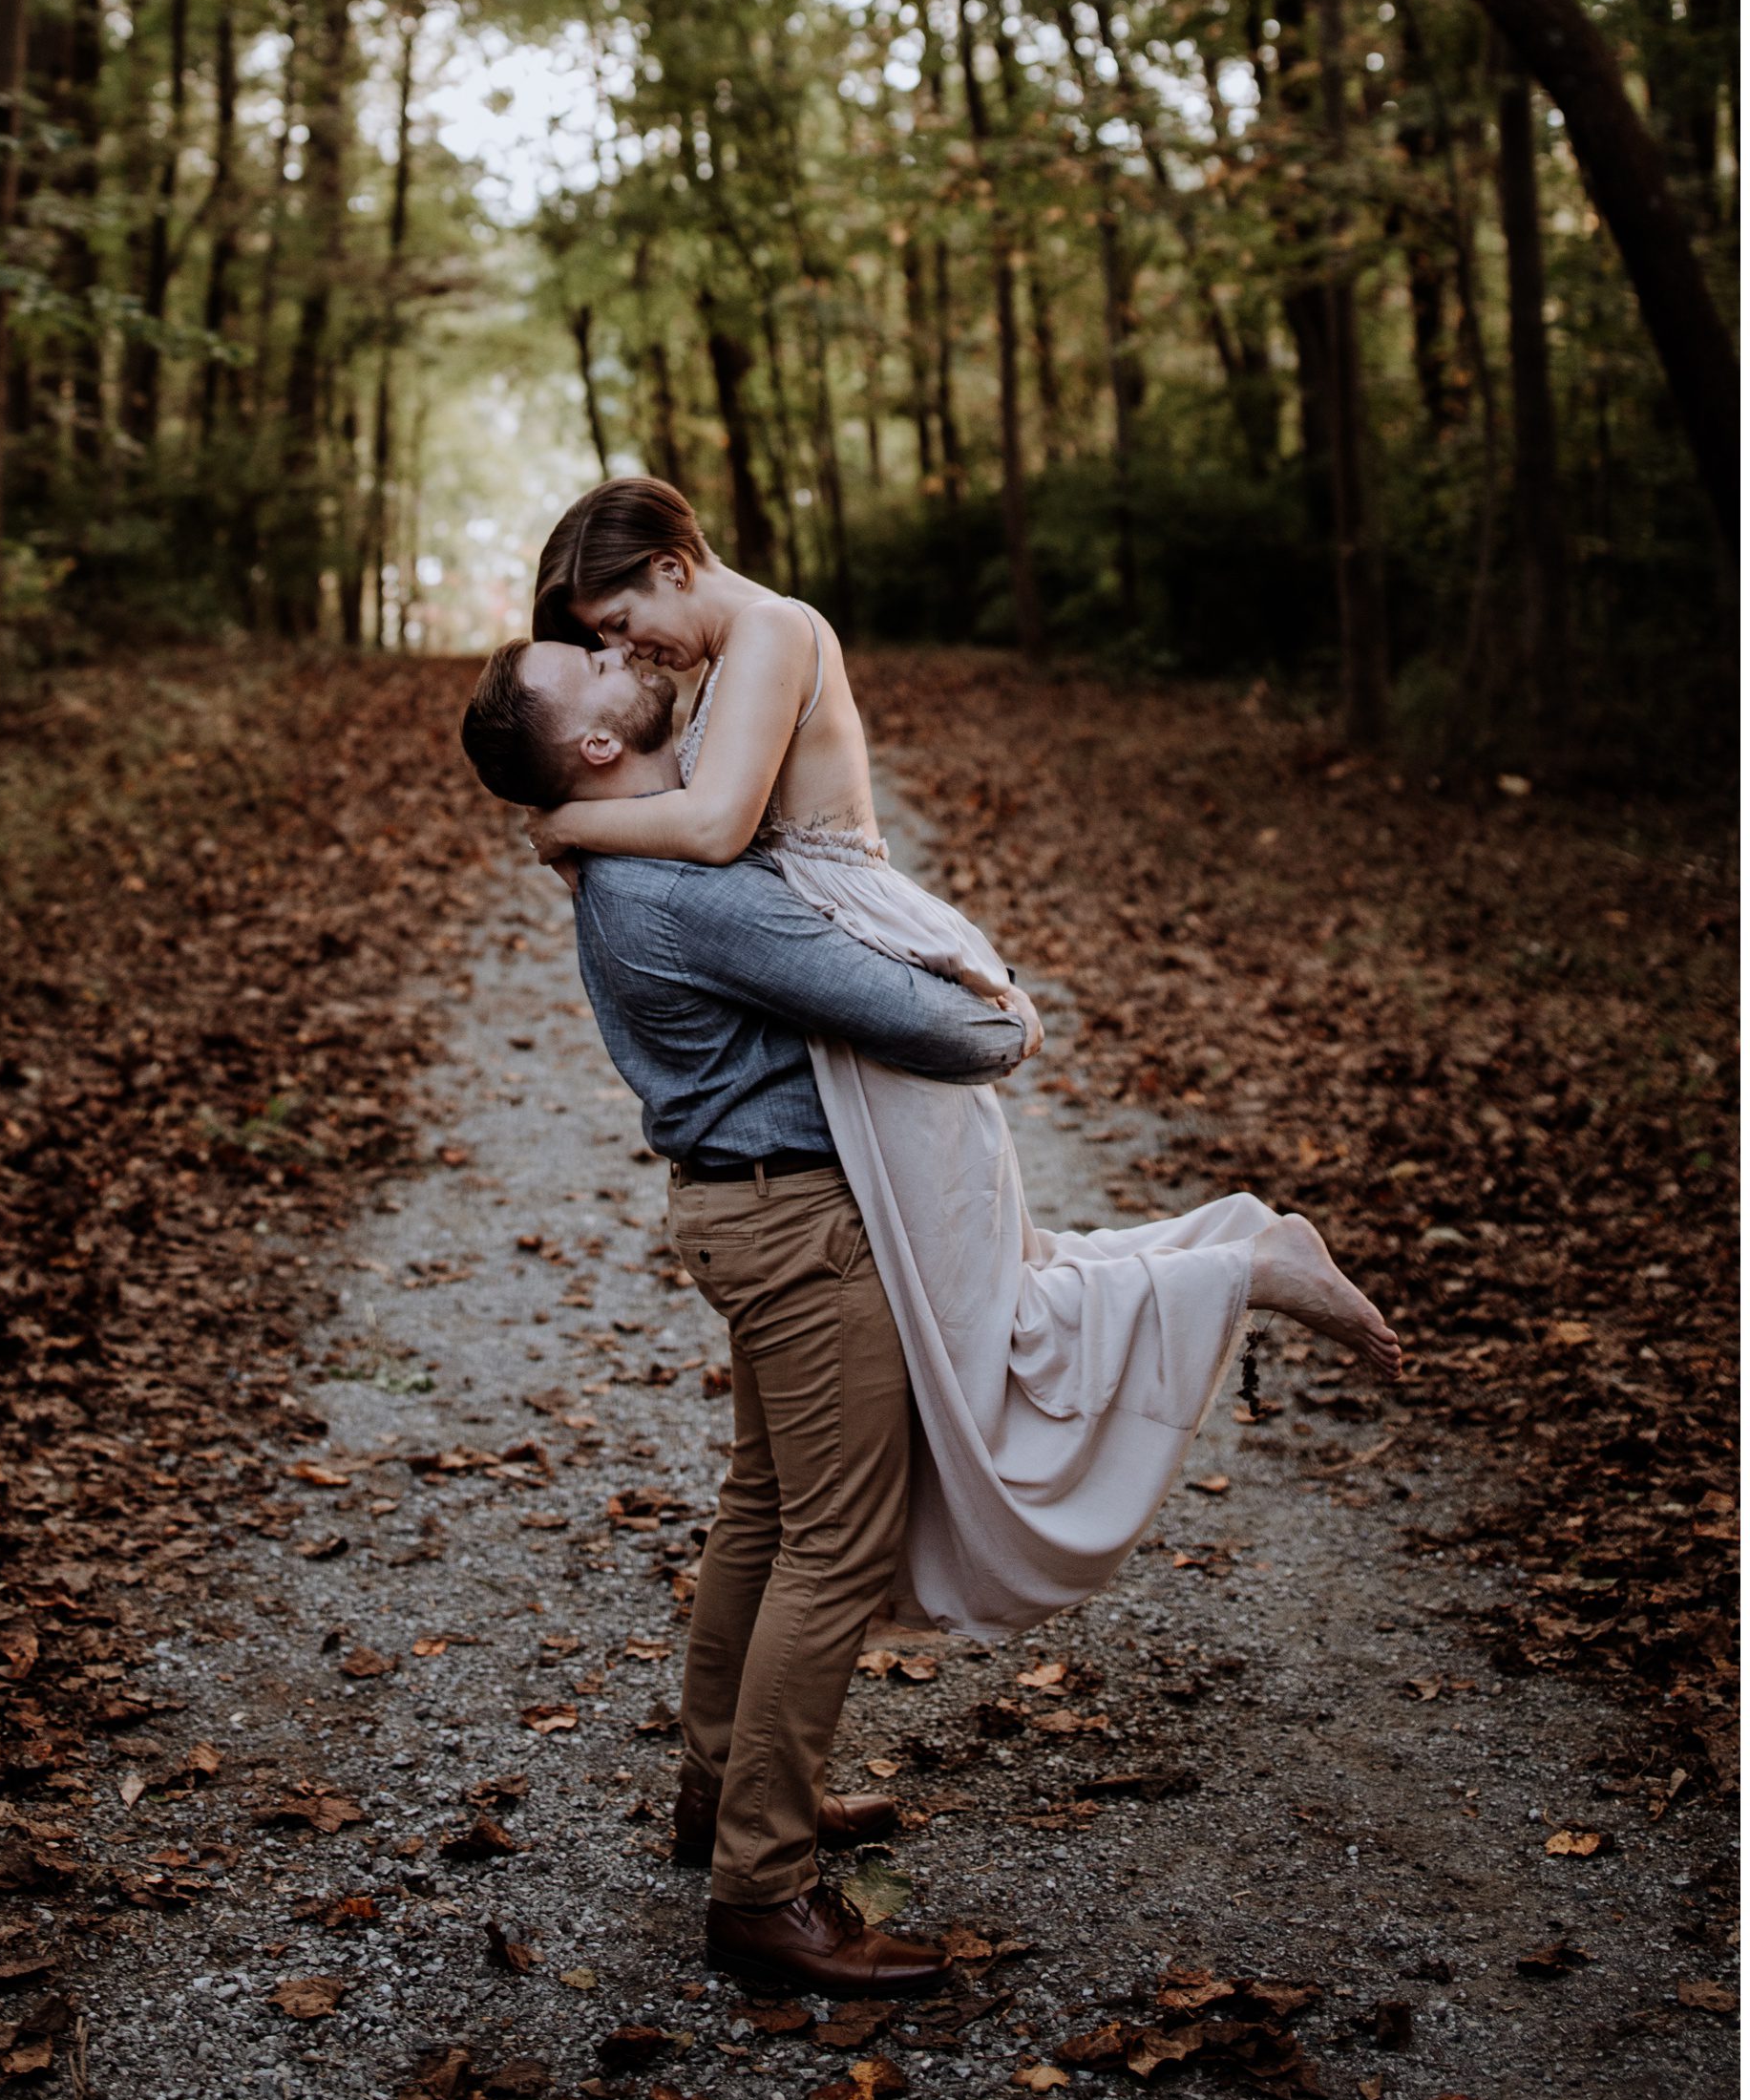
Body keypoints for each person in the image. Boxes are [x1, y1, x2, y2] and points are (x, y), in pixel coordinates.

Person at [514, 476, 1402, 1651]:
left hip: (863, 956)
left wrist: (567, 827)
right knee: (982, 1291)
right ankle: (1230, 1258)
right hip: (824, 987)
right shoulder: (718, 667)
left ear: (674, 566)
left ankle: (1244, 1269)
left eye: (619, 622)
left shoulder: (773, 628)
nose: (623, 650)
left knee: (990, 1317)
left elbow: (719, 829)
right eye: (598, 643)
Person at [460, 631, 1042, 1999]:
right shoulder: (678, 882)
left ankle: (722, 1795)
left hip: (748, 1212)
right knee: (835, 1549)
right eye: (587, 662)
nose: (617, 650)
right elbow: (943, 1030)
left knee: (771, 1511)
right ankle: (764, 1890)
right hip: (801, 1229)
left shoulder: (621, 852)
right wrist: (1007, 1017)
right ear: (598, 747)